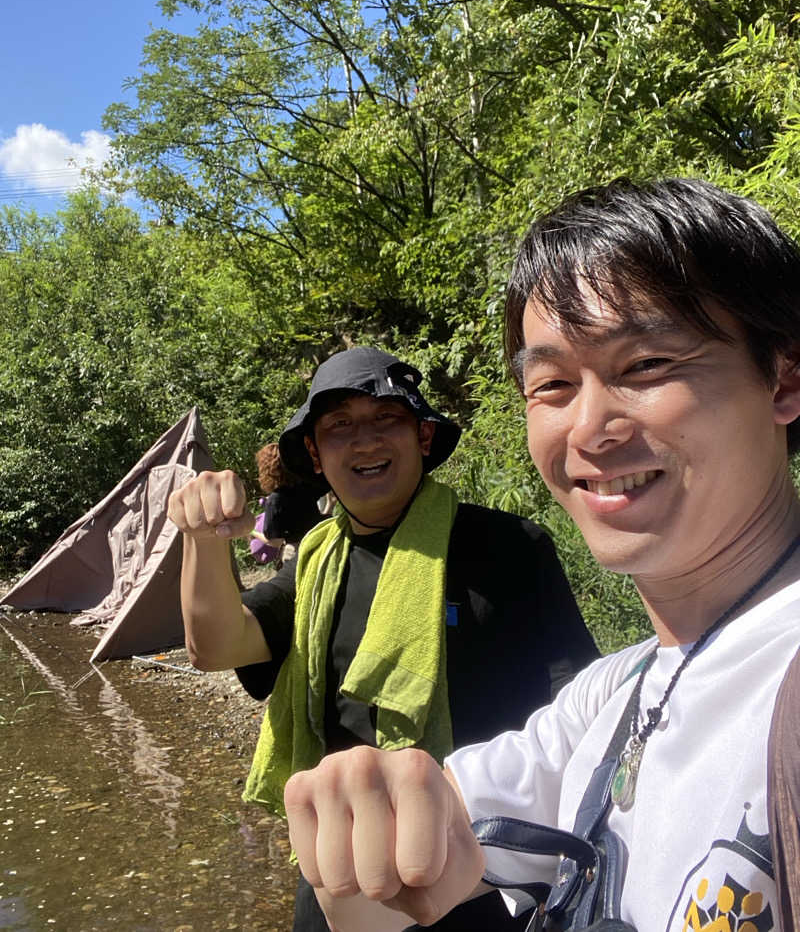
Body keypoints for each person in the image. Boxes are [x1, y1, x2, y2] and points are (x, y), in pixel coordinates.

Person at [280, 178, 800, 932]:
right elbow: (382, 893)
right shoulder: (611, 697)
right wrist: (366, 832)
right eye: (552, 382)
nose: (589, 427)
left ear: (783, 377)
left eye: (646, 363)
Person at [167, 345, 598, 932]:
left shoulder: (511, 548)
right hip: (339, 875)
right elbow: (216, 647)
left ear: (422, 437)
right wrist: (201, 537)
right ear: (315, 455)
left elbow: (580, 721)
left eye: (386, 419)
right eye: (339, 426)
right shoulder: (314, 566)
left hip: (481, 877)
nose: (365, 441)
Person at [250, 442, 325, 567]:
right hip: (322, 541)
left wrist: (252, 531)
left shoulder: (275, 500)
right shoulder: (307, 486)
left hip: (298, 553)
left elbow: (275, 542)